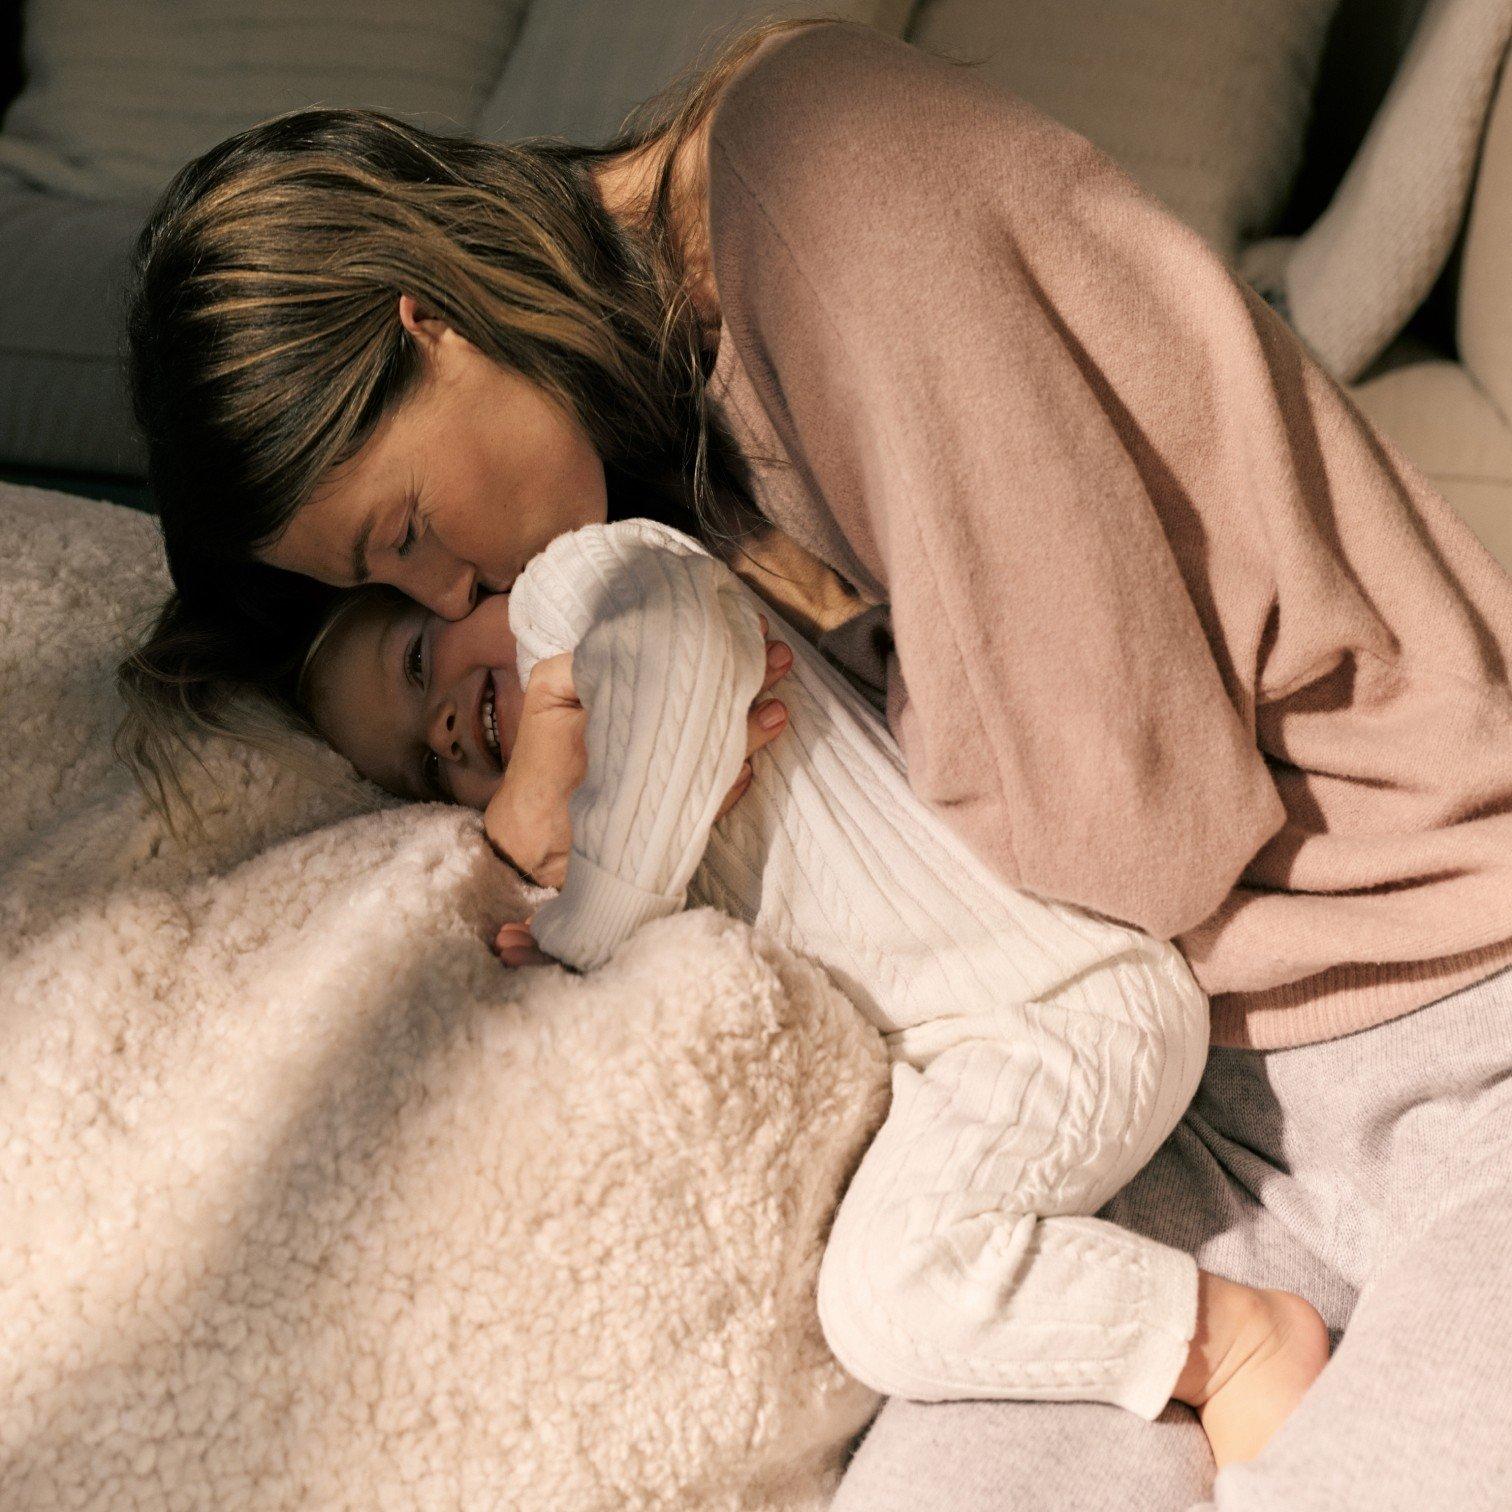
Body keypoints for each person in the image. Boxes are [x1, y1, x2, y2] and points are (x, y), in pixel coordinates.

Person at [115, 16, 1512, 1509]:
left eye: (409, 533)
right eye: (400, 594)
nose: (461, 595)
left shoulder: (824, 176)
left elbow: (1131, 830)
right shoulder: (643, 450)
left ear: (428, 320)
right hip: (1153, 1124)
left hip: (1442, 1027)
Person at [290, 511, 1329, 1466]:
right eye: (426, 767)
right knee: (880, 1294)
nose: (441, 725)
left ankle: (1231, 1343)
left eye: (419, 662)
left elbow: (679, 664)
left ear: (467, 588)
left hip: (1065, 998)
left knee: (889, 1295)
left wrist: (586, 915)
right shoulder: (591, 832)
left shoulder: (585, 576)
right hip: (963, 1051)